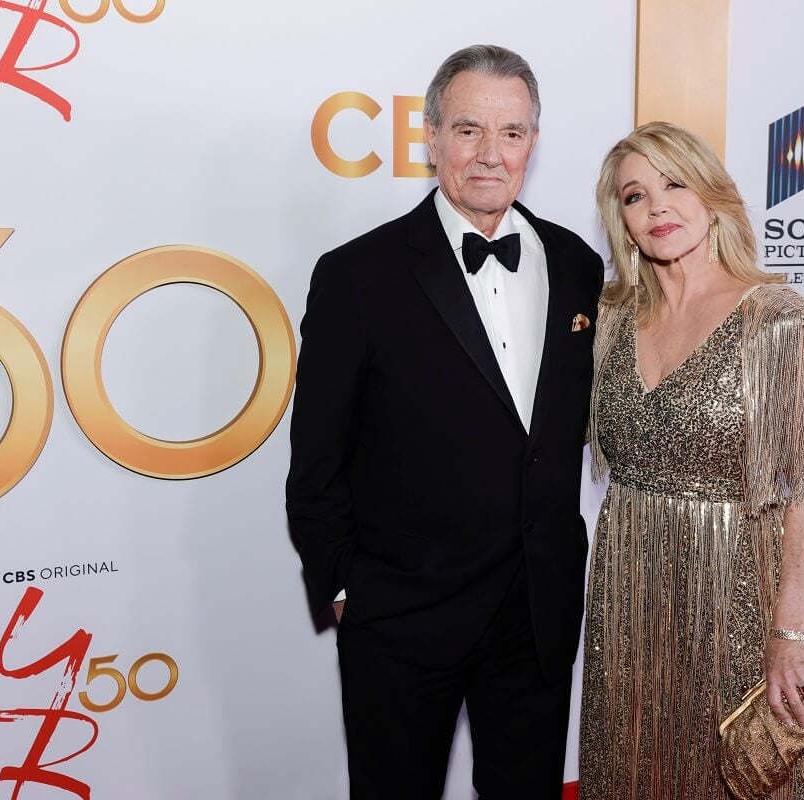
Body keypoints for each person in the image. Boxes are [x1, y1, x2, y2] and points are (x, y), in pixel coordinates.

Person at [286, 44, 603, 799]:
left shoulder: (578, 264)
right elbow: (315, 459)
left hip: (536, 618)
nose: (491, 154)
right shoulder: (358, 274)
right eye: (468, 130)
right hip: (402, 621)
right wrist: (343, 588)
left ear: (534, 140)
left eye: (513, 133)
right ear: (430, 138)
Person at [579, 121, 804, 799]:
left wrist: (790, 632)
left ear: (713, 197)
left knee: (738, 774)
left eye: (674, 183)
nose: (657, 206)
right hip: (627, 589)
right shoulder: (608, 318)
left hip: (737, 594)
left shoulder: (782, 319)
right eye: (635, 196)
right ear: (623, 221)